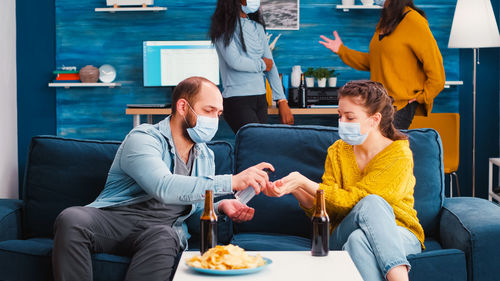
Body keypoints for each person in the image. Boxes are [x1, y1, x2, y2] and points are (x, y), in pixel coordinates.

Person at [52, 77, 274, 281]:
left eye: (218, 114)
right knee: (72, 218)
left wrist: (220, 206)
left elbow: (193, 215)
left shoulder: (205, 155)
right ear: (182, 107)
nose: (214, 120)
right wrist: (231, 181)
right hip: (115, 221)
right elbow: (163, 187)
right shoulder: (143, 138)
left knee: (166, 235)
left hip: (160, 230)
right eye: (208, 110)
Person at [264, 80, 425, 281]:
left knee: (360, 234)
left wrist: (305, 182)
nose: (342, 123)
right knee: (365, 212)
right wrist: (295, 188)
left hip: (398, 232)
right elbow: (329, 208)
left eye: (350, 117)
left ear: (375, 119)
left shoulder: (398, 153)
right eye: (340, 116)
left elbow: (357, 198)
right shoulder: (338, 151)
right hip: (341, 230)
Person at [318, 0, 445, 129]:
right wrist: (342, 50)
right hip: (380, 103)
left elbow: (436, 70)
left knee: (387, 147)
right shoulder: (386, 21)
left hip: (400, 105)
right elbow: (376, 61)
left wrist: (423, 97)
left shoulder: (413, 20)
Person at [210, 0, 294, 133]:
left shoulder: (257, 27)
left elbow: (271, 65)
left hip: (260, 99)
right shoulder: (223, 29)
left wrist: (282, 100)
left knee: (258, 147)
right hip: (237, 100)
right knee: (255, 145)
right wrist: (262, 64)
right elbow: (235, 61)